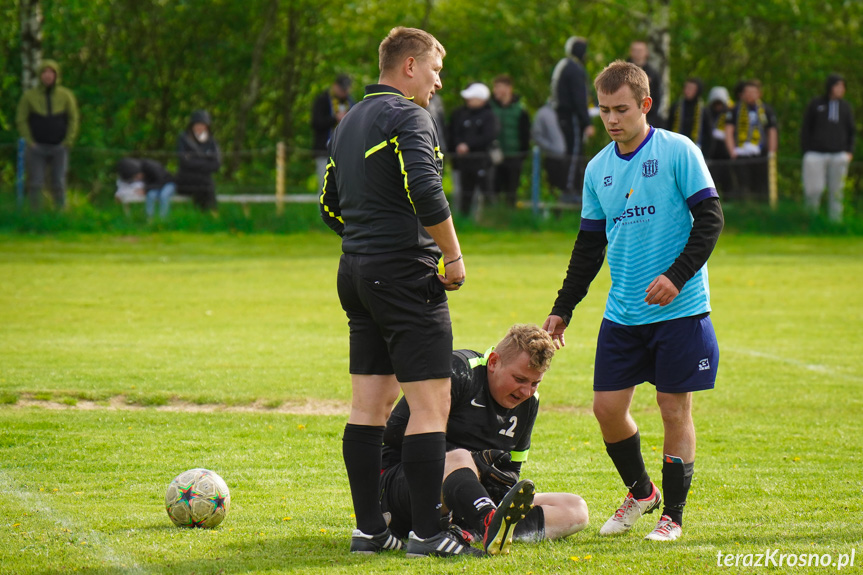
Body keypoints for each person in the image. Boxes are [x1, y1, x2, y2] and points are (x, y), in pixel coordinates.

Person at [543, 60, 724, 542]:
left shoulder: (677, 150)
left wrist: (677, 276)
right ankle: (642, 492)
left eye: (621, 109)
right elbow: (587, 248)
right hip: (623, 312)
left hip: (679, 309)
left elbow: (710, 219)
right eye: (603, 110)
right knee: (606, 408)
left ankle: (674, 517)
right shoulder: (597, 168)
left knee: (673, 407)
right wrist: (563, 307)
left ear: (645, 105)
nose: (611, 119)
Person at [318, 26, 474, 558]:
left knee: (369, 406)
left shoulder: (348, 121)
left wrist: (366, 241)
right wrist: (451, 257)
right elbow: (424, 188)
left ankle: (370, 530)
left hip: (355, 272)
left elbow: (329, 206)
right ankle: (429, 535)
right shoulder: (409, 115)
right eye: (434, 69)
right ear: (408, 67)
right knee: (433, 406)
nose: (437, 82)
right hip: (405, 274)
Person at [380, 324, 589, 555]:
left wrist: (496, 483)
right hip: (402, 488)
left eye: (535, 383)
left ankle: (472, 531)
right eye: (519, 379)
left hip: (470, 501)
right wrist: (473, 463)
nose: (526, 391)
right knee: (460, 457)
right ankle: (487, 524)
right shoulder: (458, 371)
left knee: (574, 508)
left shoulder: (530, 403)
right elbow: (394, 432)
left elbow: (512, 472)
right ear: (493, 362)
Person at [15, 59, 79, 211]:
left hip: (59, 147)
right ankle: (35, 215)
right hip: (36, 147)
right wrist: (30, 141)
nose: (48, 76)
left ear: (56, 75)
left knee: (59, 183)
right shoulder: (29, 96)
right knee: (35, 183)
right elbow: (21, 119)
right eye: (45, 72)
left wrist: (67, 142)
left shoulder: (66, 95)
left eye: (51, 72)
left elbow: (73, 119)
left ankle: (59, 214)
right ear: (40, 75)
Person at [801, 74, 855, 221]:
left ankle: (835, 223)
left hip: (839, 155)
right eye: (838, 86)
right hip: (815, 154)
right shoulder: (816, 104)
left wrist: (849, 152)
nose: (841, 89)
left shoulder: (845, 107)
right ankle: (811, 220)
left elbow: (851, 131)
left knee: (837, 192)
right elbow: (806, 128)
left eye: (843, 86)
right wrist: (807, 150)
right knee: (813, 190)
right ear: (830, 87)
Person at [551, 36, 595, 200]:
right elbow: (579, 98)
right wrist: (587, 122)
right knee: (574, 151)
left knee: (569, 151)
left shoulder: (563, 65)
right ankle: (569, 190)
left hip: (563, 115)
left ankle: (569, 188)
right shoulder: (575, 69)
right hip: (571, 117)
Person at [450, 82, 500, 215]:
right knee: (466, 193)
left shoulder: (489, 116)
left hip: (483, 161)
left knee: (487, 192)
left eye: (472, 98)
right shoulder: (462, 114)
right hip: (465, 162)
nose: (468, 100)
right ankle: (464, 219)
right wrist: (459, 145)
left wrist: (468, 145)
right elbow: (455, 133)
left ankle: (491, 218)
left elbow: (488, 136)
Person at [724, 80, 778, 199]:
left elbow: (772, 131)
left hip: (760, 153)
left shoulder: (766, 110)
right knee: (742, 183)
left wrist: (771, 152)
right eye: (747, 92)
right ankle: (744, 208)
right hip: (740, 153)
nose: (750, 95)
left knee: (761, 184)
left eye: (753, 92)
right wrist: (732, 150)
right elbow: (728, 130)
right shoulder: (735, 110)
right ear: (742, 94)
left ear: (759, 94)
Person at [489, 75, 531, 207]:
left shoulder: (521, 110)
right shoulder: (489, 108)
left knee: (512, 189)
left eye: (499, 87)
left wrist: (523, 154)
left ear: (508, 89)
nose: (496, 91)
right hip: (494, 156)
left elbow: (525, 134)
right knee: (494, 187)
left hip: (514, 156)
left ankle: (510, 214)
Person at [311, 74, 354, 185]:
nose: (344, 92)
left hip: (345, 152)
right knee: (325, 186)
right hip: (324, 151)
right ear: (335, 86)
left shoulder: (350, 103)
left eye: (346, 89)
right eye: (342, 89)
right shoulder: (323, 100)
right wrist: (335, 118)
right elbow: (316, 123)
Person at [176, 110, 221, 212]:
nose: (200, 127)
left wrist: (194, 160)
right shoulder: (184, 139)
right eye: (197, 124)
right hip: (186, 181)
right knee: (206, 184)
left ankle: (206, 215)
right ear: (192, 125)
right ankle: (211, 213)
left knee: (206, 184)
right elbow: (184, 162)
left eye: (202, 124)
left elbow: (217, 164)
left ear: (207, 126)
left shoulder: (212, 142)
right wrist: (206, 161)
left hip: (204, 180)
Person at [532, 98, 569, 195]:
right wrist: (550, 148)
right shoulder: (543, 113)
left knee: (567, 185)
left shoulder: (569, 111)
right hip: (552, 157)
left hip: (571, 157)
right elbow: (536, 135)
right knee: (553, 186)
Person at [704, 86, 734, 195]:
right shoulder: (707, 113)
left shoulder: (731, 112)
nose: (718, 106)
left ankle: (729, 197)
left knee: (727, 177)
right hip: (712, 152)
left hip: (726, 152)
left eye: (720, 103)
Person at [628, 41, 664, 129]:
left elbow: (657, 96)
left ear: (646, 52)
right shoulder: (622, 71)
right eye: (635, 50)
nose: (637, 53)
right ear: (630, 52)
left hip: (648, 116)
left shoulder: (653, 73)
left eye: (640, 50)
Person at [668, 78, 710, 150]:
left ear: (697, 91)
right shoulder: (676, 107)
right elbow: (668, 127)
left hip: (697, 148)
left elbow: (708, 134)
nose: (687, 91)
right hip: (676, 147)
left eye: (690, 89)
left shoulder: (703, 110)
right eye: (686, 88)